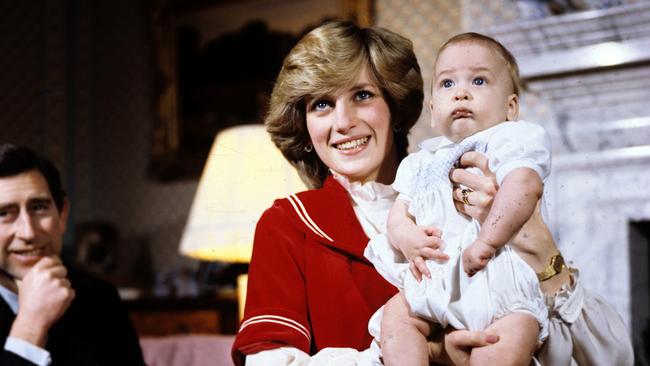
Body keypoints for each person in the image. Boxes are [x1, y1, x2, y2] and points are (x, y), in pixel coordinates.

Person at [231, 21, 634, 365]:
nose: (344, 122)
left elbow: (607, 358)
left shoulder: (483, 191)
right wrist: (433, 352)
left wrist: (534, 240)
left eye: (362, 95)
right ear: (305, 127)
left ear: (395, 105)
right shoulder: (289, 225)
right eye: (321, 104)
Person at [365, 32, 552, 366]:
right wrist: (406, 237)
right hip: (434, 284)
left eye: (479, 80)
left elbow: (524, 187)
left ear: (511, 107)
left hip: (498, 281)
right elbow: (398, 214)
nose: (461, 92)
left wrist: (487, 241)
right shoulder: (419, 163)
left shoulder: (511, 139)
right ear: (434, 111)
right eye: (447, 84)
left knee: (508, 337)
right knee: (397, 317)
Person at [0, 144, 145, 366]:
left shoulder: (101, 297)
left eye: (39, 207)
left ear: (62, 214)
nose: (28, 232)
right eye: (4, 214)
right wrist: (31, 325)